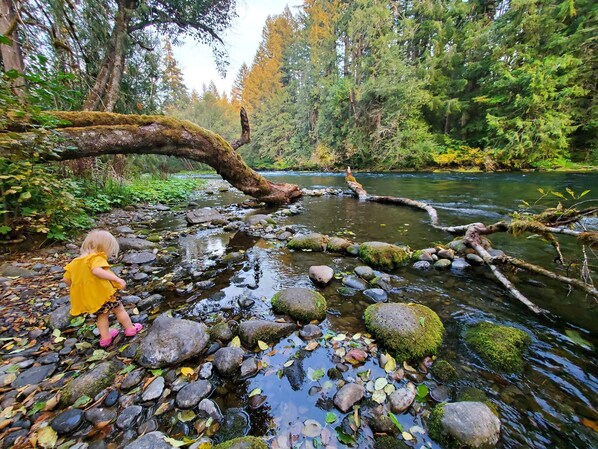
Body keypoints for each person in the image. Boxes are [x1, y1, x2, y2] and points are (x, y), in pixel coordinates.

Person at [63, 230, 142, 347]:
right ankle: (130, 329)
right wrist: (116, 279)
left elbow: (66, 279)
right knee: (119, 310)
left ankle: (105, 338)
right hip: (106, 294)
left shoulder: (74, 263)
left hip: (92, 298)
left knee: (101, 316)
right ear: (103, 247)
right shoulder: (95, 257)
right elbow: (97, 271)